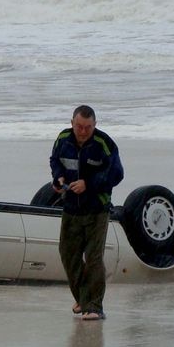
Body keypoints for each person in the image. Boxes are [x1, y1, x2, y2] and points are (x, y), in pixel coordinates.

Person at [50, 105, 123, 321]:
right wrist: (58, 178)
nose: (83, 131)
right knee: (67, 254)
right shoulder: (63, 139)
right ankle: (83, 299)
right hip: (71, 208)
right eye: (79, 127)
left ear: (95, 125)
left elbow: (117, 174)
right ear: (72, 123)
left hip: (97, 209)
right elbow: (55, 161)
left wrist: (88, 184)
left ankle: (95, 307)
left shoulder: (104, 143)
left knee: (93, 258)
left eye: (88, 127)